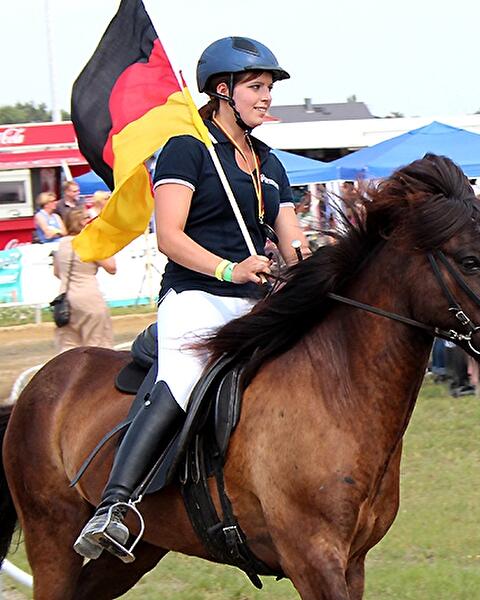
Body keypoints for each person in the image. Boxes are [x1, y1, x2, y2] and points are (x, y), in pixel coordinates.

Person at [74, 36, 308, 561]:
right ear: (222, 91)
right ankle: (115, 505)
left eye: (269, 88)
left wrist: (311, 271)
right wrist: (231, 267)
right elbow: (170, 237)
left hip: (255, 300)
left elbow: (293, 242)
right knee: (181, 376)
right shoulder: (187, 148)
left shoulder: (268, 162)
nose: (266, 97)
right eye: (256, 87)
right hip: (195, 294)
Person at [53, 207, 116, 353]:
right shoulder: (89, 242)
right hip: (88, 297)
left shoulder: (62, 244)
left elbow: (57, 272)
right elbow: (111, 267)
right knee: (98, 349)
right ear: (82, 223)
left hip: (65, 299)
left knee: (68, 351)